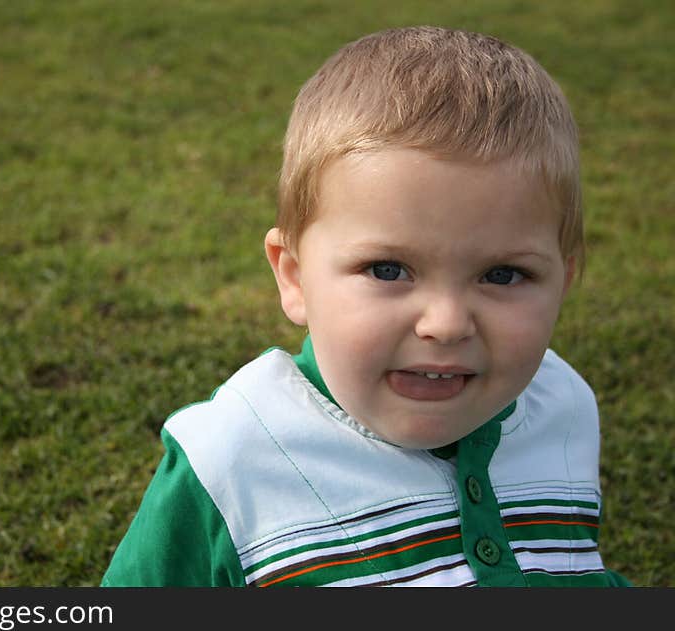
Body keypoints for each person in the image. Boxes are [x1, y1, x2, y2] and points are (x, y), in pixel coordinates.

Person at [101, 26, 629, 587]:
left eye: (503, 275)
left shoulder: (563, 407)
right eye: (387, 270)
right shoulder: (233, 463)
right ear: (294, 276)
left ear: (564, 279)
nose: (446, 323)